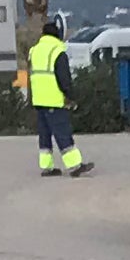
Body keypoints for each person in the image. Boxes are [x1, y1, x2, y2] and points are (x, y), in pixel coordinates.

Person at [25, 11, 87, 176]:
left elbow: (30, 76)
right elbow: (64, 79)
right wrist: (71, 96)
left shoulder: (34, 51)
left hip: (39, 101)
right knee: (63, 133)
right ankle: (74, 166)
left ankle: (47, 167)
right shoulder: (57, 52)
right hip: (54, 100)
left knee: (44, 135)